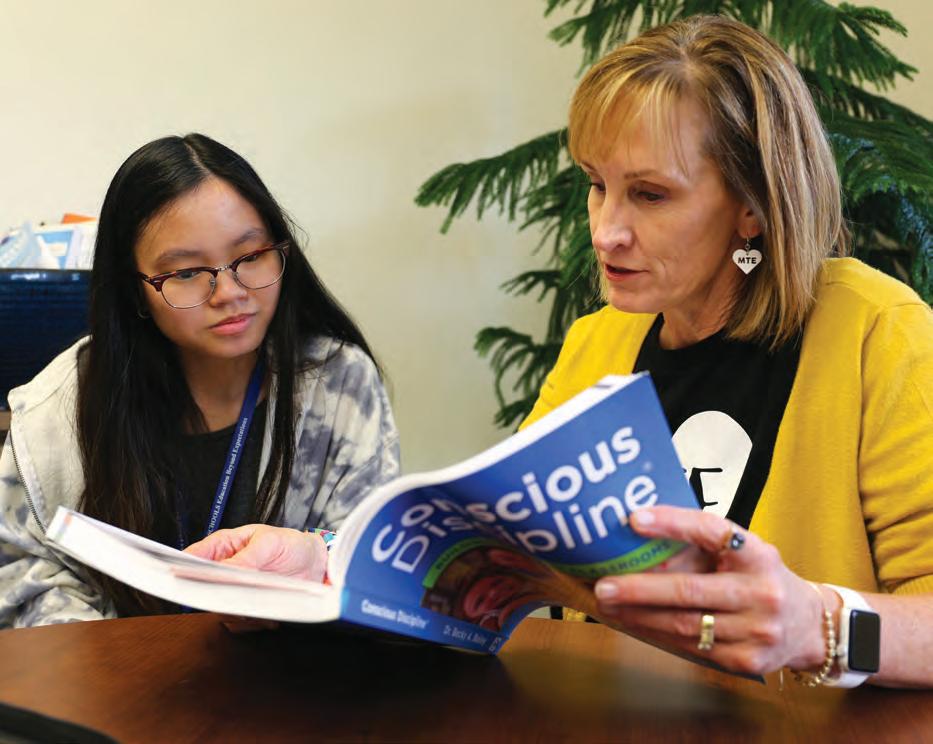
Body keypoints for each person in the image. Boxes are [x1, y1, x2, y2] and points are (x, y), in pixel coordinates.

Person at [185, 16, 933, 688]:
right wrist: (321, 560)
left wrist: (816, 625)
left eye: (649, 195)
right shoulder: (599, 341)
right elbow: (492, 553)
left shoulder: (877, 333)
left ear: (752, 206)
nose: (605, 231)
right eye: (596, 185)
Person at [0, 133, 399, 627]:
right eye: (187, 272)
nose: (229, 292)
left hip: (290, 666)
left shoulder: (338, 384)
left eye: (250, 257)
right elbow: (22, 578)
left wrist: (319, 559)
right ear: (134, 291)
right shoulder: (56, 411)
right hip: (113, 671)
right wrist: (127, 663)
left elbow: (377, 561)